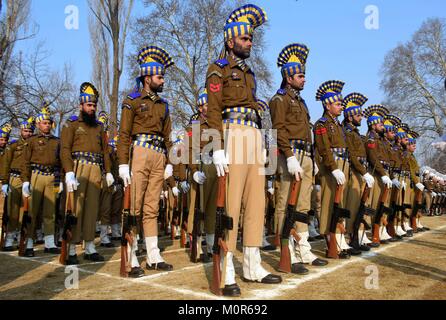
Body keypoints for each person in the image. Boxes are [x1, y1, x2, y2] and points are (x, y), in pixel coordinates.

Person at [205, 4, 282, 296]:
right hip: (231, 134)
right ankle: (226, 269)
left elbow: (256, 112)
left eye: (251, 38)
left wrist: (263, 142)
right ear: (230, 41)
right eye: (245, 39)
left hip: (252, 135)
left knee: (257, 203)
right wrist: (217, 148)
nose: (250, 42)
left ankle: (252, 264)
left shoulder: (250, 73)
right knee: (231, 205)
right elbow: (213, 110)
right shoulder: (218, 69)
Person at [270, 43, 328, 274]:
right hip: (290, 155)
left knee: (303, 204)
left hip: (304, 155)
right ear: (288, 77)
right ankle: (286, 250)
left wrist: (311, 158)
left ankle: (303, 247)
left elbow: (306, 132)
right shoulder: (279, 99)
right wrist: (290, 156)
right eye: (300, 75)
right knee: (285, 203)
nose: (304, 79)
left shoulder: (301, 102)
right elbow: (279, 130)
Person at [118, 46, 175, 275]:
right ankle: (131, 257)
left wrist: (171, 161)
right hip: (139, 152)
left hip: (159, 155)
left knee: (152, 208)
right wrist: (123, 163)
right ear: (147, 77)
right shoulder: (131, 101)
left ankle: (153, 255)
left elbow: (169, 137)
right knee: (134, 206)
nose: (162, 80)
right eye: (159, 76)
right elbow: (123, 135)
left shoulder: (164, 105)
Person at [60, 82, 114, 264]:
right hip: (78, 168)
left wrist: (107, 171)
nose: (92, 108)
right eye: (89, 105)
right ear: (81, 105)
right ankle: (72, 248)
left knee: (92, 209)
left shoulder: (99, 127)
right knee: (76, 208)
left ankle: (90, 246)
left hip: (96, 169)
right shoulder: (72, 124)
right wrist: (68, 172)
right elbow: (65, 149)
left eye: (94, 105)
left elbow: (105, 151)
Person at [314, 80, 358, 259]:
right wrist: (333, 168)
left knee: (339, 204)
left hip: (343, 165)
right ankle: (330, 238)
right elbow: (324, 148)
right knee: (328, 203)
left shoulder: (338, 125)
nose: (341, 107)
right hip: (332, 166)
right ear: (327, 105)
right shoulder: (321, 124)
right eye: (338, 104)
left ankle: (339, 237)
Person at [21, 104, 63, 256]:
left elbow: (61, 162)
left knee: (50, 212)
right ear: (38, 124)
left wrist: (61, 182)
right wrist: (25, 180)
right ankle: (29, 243)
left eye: (49, 123)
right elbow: (25, 162)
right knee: (32, 211)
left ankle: (49, 242)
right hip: (36, 176)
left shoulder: (57, 141)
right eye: (44, 123)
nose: (47, 125)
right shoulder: (31, 141)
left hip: (52, 177)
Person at [341, 92, 375, 251]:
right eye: (358, 114)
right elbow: (352, 155)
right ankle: (347, 236)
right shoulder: (347, 131)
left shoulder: (355, 133)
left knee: (360, 206)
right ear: (349, 117)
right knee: (352, 205)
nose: (361, 117)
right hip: (354, 170)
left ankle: (356, 236)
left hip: (360, 170)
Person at [1, 117, 35, 251]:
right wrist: (5, 181)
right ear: (21, 131)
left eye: (30, 131)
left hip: (29, 179)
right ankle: (9, 238)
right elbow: (5, 164)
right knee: (12, 210)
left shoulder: (34, 144)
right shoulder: (13, 145)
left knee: (27, 211)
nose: (27, 133)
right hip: (15, 178)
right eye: (25, 131)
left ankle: (24, 237)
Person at [363, 105, 393, 245]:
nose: (383, 127)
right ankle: (373, 231)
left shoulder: (381, 140)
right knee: (375, 203)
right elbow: (373, 157)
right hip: (376, 172)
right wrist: (382, 173)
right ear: (373, 125)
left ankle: (380, 230)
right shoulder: (371, 138)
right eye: (380, 124)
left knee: (383, 203)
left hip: (383, 172)